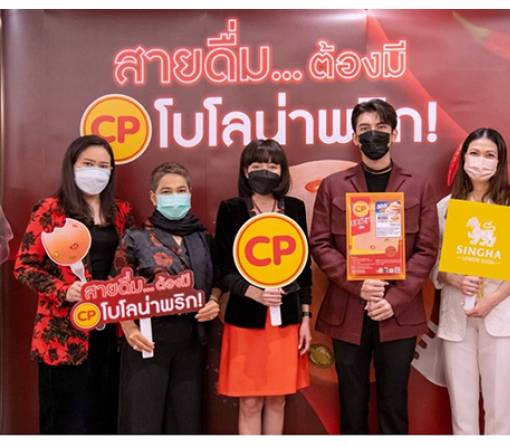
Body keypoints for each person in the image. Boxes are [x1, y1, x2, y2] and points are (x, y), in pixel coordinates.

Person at [310, 99, 438, 434]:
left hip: (398, 310)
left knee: (393, 402)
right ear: (355, 137)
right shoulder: (334, 185)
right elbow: (320, 243)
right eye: (364, 129)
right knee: (351, 401)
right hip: (347, 307)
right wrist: (359, 285)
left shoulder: (418, 185)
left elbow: (427, 250)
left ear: (393, 134)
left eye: (381, 128)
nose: (373, 135)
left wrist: (393, 299)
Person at [13, 135, 135, 434]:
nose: (97, 171)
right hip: (63, 333)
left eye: (104, 166)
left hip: (109, 330)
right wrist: (64, 290)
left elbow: (130, 263)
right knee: (66, 421)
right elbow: (24, 266)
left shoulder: (121, 211)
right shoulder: (50, 209)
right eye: (88, 164)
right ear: (72, 166)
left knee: (104, 416)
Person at [431, 128, 510, 434]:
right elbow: (435, 261)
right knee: (462, 410)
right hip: (458, 317)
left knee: (499, 408)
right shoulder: (446, 207)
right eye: (475, 153)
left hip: (503, 315)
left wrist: (492, 300)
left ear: (500, 161)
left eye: (489, 155)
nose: (481, 161)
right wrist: (454, 279)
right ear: (464, 158)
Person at [114, 162, 222, 434]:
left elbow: (217, 279)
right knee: (143, 420)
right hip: (147, 340)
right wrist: (129, 329)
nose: (175, 196)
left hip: (191, 341)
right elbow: (117, 286)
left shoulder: (202, 237)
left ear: (190, 194)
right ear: (153, 197)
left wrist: (214, 301)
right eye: (166, 191)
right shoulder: (136, 237)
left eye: (181, 190)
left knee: (185, 421)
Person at [215, 139, 312, 435]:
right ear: (245, 171)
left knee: (278, 399)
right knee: (250, 402)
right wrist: (252, 292)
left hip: (286, 321)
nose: (265, 171)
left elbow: (304, 268)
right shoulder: (231, 209)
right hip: (246, 320)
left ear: (282, 171)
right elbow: (222, 269)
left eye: (272, 165)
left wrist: (306, 317)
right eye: (257, 165)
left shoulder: (294, 208)